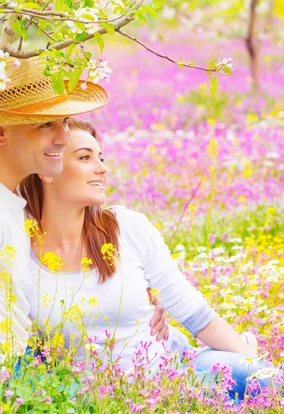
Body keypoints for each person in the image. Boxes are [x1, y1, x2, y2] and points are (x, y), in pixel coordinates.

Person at [0, 56, 168, 361]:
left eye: (64, 122)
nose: (63, 137)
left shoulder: (7, 194)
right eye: (46, 124)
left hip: (24, 369)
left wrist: (137, 302)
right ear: (1, 132)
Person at [19, 119, 266, 401]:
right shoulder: (18, 249)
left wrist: (247, 359)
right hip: (99, 398)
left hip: (174, 374)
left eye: (101, 157)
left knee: (266, 382)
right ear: (47, 170)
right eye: (85, 157)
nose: (102, 168)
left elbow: (191, 309)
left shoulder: (127, 226)